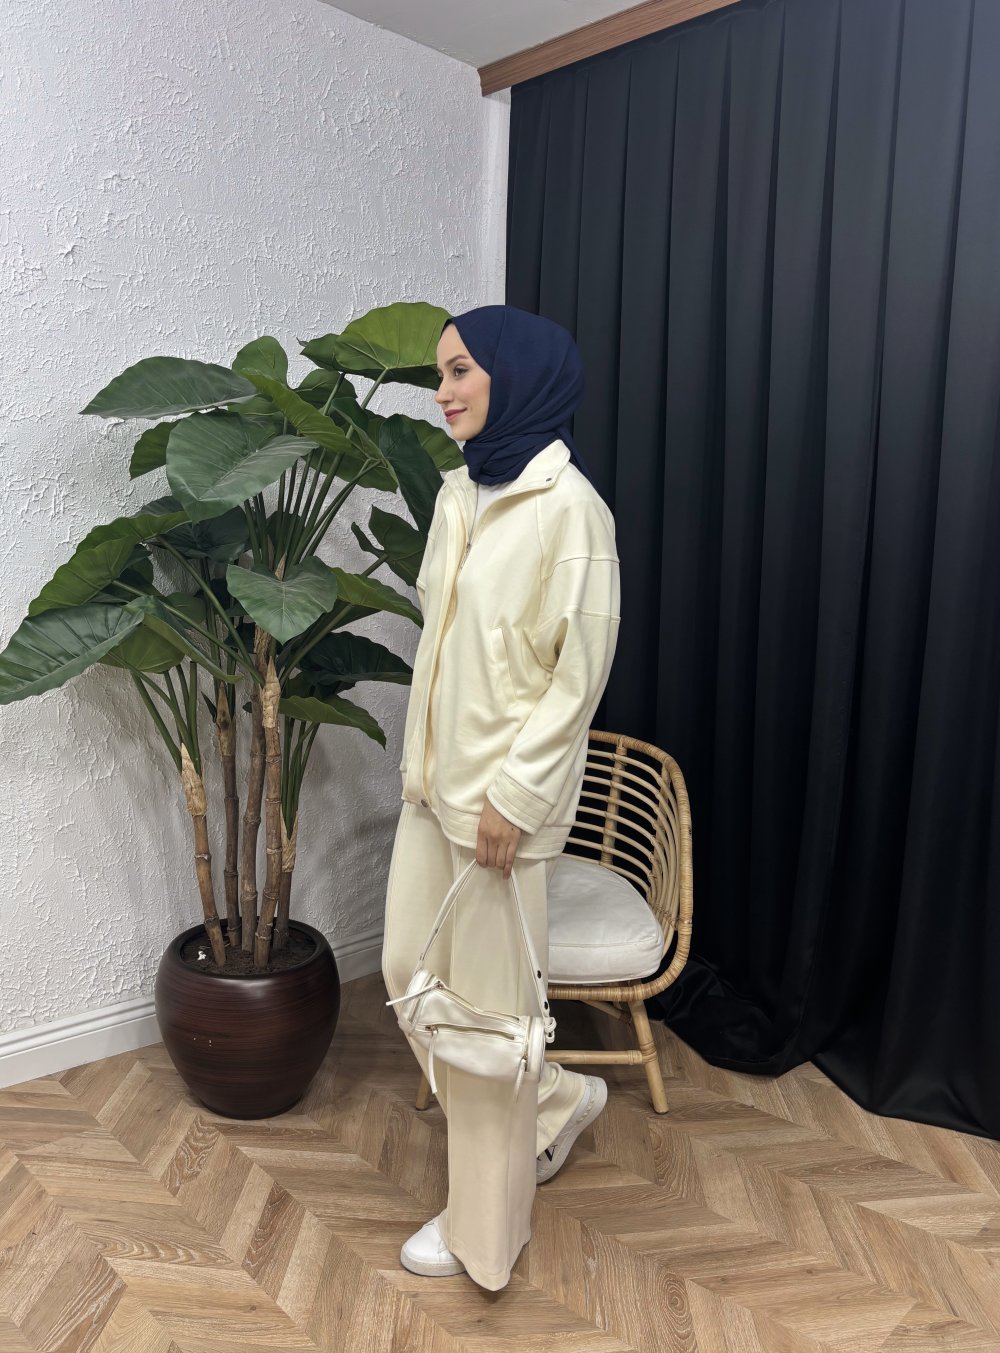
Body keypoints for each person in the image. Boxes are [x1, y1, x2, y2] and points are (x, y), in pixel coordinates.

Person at [381, 303, 622, 1291]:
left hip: (501, 811)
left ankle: (485, 1234)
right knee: (406, 970)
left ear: (516, 374)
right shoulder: (457, 493)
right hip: (432, 787)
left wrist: (515, 797)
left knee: (483, 1019)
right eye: (440, 373)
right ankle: (555, 1101)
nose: (442, 391)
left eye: (460, 370)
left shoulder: (572, 511)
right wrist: (422, 766)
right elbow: (443, 646)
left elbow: (578, 677)